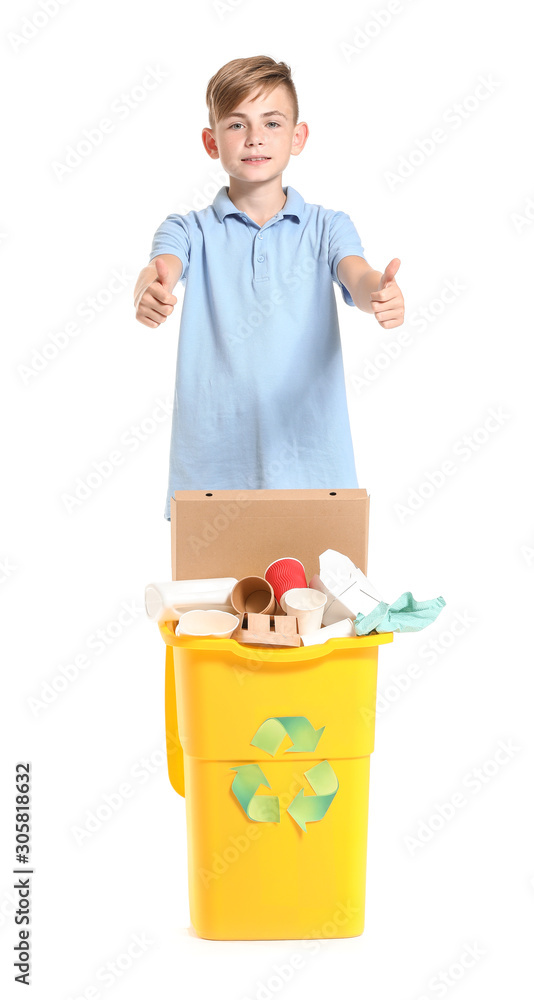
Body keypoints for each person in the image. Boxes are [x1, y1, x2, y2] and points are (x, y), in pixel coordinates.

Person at [133, 55, 404, 521]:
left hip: (312, 464)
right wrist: (148, 289)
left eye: (272, 122)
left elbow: (356, 273)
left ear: (297, 137)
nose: (255, 137)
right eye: (236, 124)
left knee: (316, 594)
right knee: (215, 594)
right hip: (212, 469)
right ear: (210, 141)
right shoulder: (190, 228)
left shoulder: (326, 226)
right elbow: (162, 265)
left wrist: (378, 289)